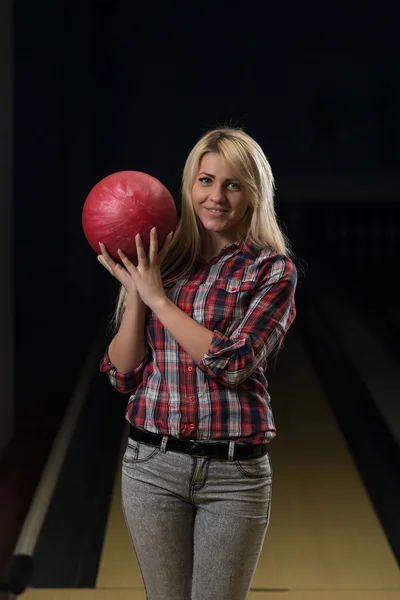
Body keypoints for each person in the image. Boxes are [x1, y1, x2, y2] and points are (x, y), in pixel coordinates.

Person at [98, 127, 297, 600]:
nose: (217, 197)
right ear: (189, 186)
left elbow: (234, 363)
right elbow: (123, 375)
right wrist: (135, 292)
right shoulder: (160, 264)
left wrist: (159, 300)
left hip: (234, 477)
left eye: (233, 184)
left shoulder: (272, 271)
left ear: (254, 194)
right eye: (206, 180)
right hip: (151, 465)